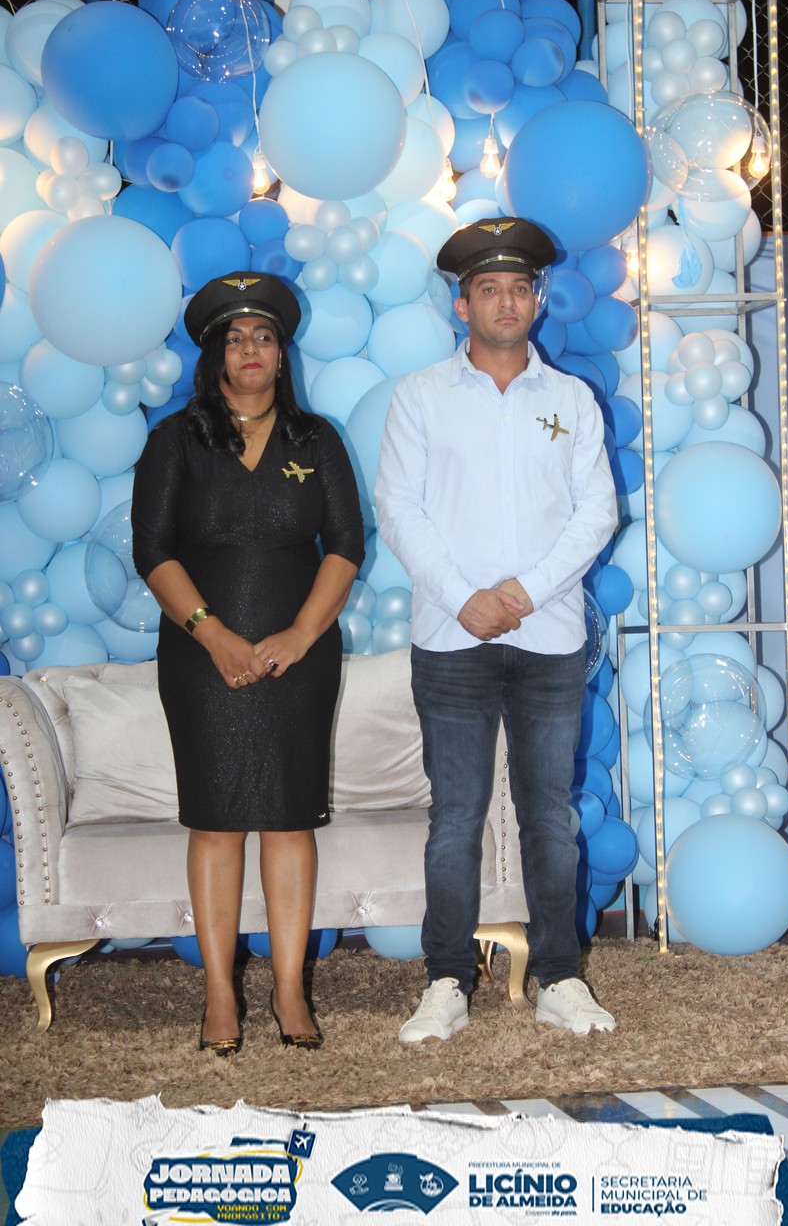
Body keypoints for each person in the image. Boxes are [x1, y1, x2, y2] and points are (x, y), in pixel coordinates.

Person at [375, 218, 619, 1044]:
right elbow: (398, 509)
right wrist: (463, 599)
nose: (505, 302)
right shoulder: (420, 397)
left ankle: (560, 978)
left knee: (550, 814)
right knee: (456, 816)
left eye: (519, 288)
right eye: (488, 289)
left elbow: (597, 512)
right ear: (462, 304)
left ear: (537, 300)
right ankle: (446, 980)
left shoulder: (570, 400)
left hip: (549, 640)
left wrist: (524, 591)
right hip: (452, 643)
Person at [131, 272, 364, 1054]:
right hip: (202, 661)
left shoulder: (316, 439)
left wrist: (299, 636)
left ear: (282, 352)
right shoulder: (176, 440)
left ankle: (290, 989)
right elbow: (152, 550)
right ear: (215, 356)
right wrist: (214, 635)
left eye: (264, 336)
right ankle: (220, 994)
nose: (251, 350)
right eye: (234, 339)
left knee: (290, 821)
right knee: (217, 823)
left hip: (302, 658)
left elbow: (346, 546)